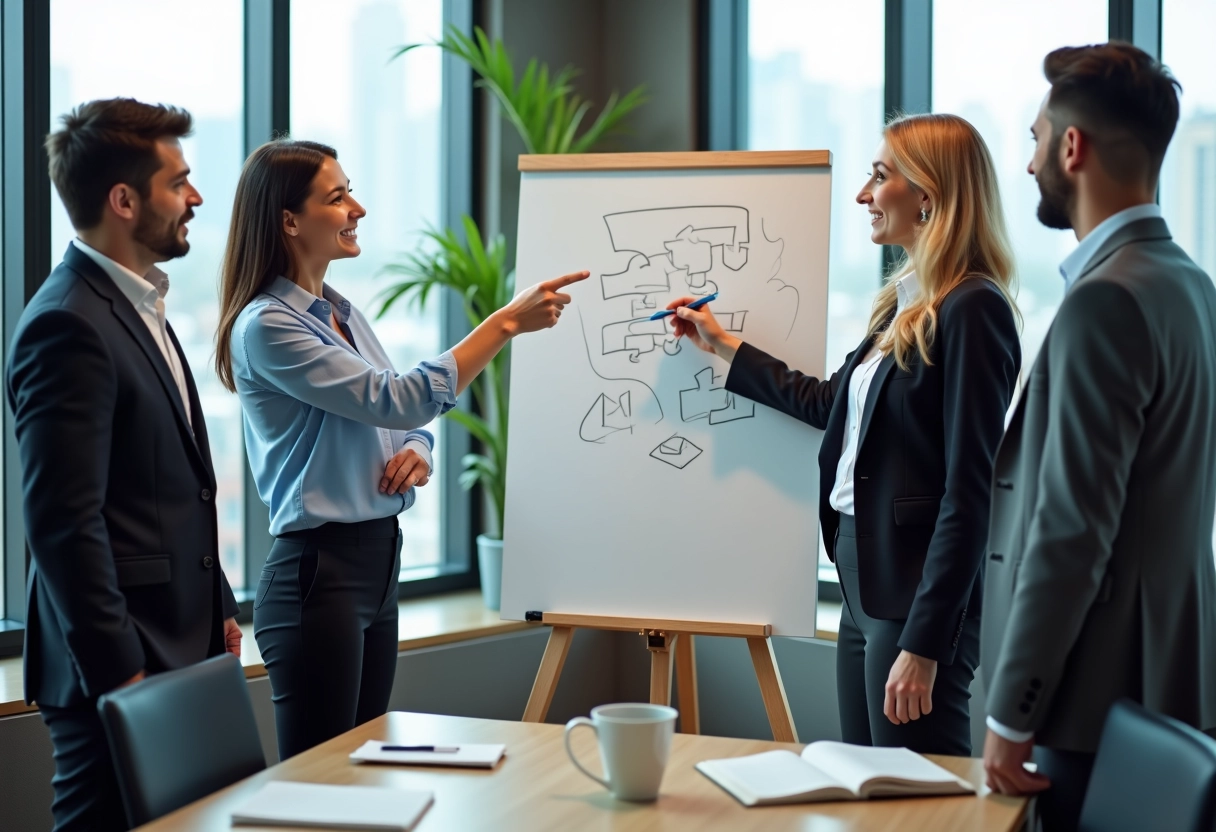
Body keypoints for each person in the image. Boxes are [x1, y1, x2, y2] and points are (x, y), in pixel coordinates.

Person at [215, 139, 587, 760]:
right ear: (288, 220)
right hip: (319, 574)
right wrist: (503, 324)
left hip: (376, 564)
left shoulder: (341, 313)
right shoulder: (268, 325)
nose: (357, 208)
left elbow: (400, 419)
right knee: (321, 785)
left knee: (363, 766)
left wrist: (419, 450)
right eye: (337, 198)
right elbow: (399, 397)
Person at [669, 113, 1020, 755]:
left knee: (917, 797)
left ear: (928, 195)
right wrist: (720, 343)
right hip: (863, 578)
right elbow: (828, 402)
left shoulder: (974, 309)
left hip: (914, 593)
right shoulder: (906, 306)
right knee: (866, 779)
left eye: (880, 177)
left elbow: (971, 493)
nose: (864, 195)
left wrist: (924, 642)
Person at [981, 42, 1216, 831]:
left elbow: (1072, 532)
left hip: (1088, 698)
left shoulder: (1103, 302)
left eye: (1036, 139)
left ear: (1070, 148)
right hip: (1172, 681)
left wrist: (1012, 714)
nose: (1030, 163)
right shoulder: (1191, 285)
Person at [5, 99, 241, 832]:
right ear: (124, 200)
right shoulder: (66, 323)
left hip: (180, 645)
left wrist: (221, 606)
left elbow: (174, 488)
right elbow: (63, 524)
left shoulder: (142, 306)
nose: (196, 199)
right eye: (180, 182)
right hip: (119, 665)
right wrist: (121, 676)